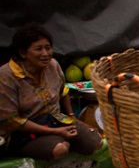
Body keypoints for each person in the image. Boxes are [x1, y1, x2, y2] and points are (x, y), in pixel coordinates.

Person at [0, 24, 103, 160]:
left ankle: (60, 139)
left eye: (48, 48)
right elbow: (12, 121)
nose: (45, 54)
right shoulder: (7, 76)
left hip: (55, 120)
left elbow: (63, 92)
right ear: (23, 52)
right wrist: (55, 131)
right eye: (38, 49)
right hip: (23, 132)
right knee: (60, 149)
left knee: (95, 142)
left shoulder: (53, 65)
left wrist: (73, 118)